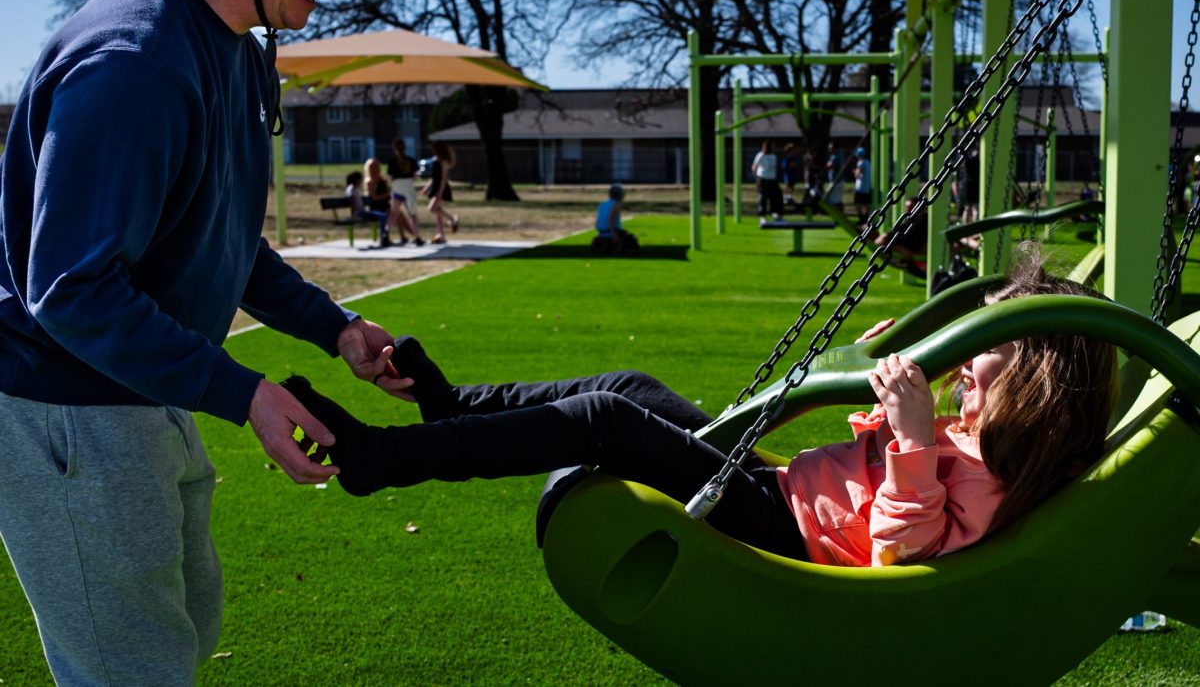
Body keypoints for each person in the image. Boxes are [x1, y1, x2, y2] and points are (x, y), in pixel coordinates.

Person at [0, 0, 417, 685]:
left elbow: (220, 233)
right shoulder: (132, 65)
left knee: (181, 639)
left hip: (149, 387)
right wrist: (242, 391)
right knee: (131, 670)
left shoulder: (237, 52)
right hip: (69, 405)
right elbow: (71, 291)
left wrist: (333, 328)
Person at [283, 245, 1116, 567]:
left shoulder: (998, 478)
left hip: (785, 532)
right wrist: (890, 396)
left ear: (1039, 380)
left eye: (983, 357)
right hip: (776, 489)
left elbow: (901, 552)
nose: (962, 368)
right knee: (632, 388)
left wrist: (912, 439)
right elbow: (874, 467)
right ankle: (453, 409)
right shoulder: (970, 434)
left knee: (607, 420)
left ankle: (380, 459)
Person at [875, 197, 929, 276]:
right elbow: (879, 241)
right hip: (910, 254)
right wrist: (901, 249)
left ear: (921, 209)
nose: (908, 211)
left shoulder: (929, 222)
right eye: (907, 208)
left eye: (911, 208)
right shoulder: (906, 225)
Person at [387, 139, 425, 247]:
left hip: (397, 187)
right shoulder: (411, 161)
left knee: (394, 213)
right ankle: (417, 236)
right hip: (408, 187)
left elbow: (390, 177)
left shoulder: (392, 161)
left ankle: (386, 234)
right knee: (412, 214)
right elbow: (415, 176)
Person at [423, 140, 459, 244]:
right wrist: (427, 188)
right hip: (435, 187)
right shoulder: (435, 160)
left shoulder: (444, 161)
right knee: (438, 213)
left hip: (441, 188)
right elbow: (434, 177)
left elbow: (443, 178)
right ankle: (441, 236)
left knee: (431, 208)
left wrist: (440, 192)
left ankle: (452, 219)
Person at [346, 171, 393, 248]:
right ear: (356, 180)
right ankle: (383, 238)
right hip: (359, 213)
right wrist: (353, 214)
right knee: (383, 216)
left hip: (363, 211)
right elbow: (351, 200)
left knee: (383, 215)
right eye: (359, 180)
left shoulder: (355, 189)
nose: (360, 182)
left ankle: (384, 238)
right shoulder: (351, 189)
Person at [592, 183, 639, 255]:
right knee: (632, 239)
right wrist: (615, 236)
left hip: (601, 232)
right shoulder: (617, 204)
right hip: (611, 231)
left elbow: (598, 222)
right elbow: (610, 220)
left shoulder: (602, 204)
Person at [752, 139, 784, 224]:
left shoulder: (773, 156)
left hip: (772, 179)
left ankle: (776, 214)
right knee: (763, 198)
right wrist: (757, 178)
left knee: (777, 196)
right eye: (772, 146)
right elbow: (754, 167)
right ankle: (763, 216)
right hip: (763, 179)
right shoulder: (760, 155)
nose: (773, 147)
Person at [853, 147, 873, 224]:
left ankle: (861, 219)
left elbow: (857, 174)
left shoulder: (861, 163)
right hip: (866, 187)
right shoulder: (867, 162)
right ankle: (865, 220)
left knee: (857, 204)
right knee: (865, 205)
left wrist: (854, 172)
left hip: (860, 188)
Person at [826, 142, 844, 208]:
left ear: (835, 148)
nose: (829, 149)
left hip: (836, 181)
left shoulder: (837, 156)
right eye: (829, 148)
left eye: (831, 148)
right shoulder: (833, 156)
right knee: (834, 199)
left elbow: (829, 165)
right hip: (833, 181)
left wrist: (828, 165)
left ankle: (839, 210)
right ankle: (839, 210)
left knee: (831, 199)